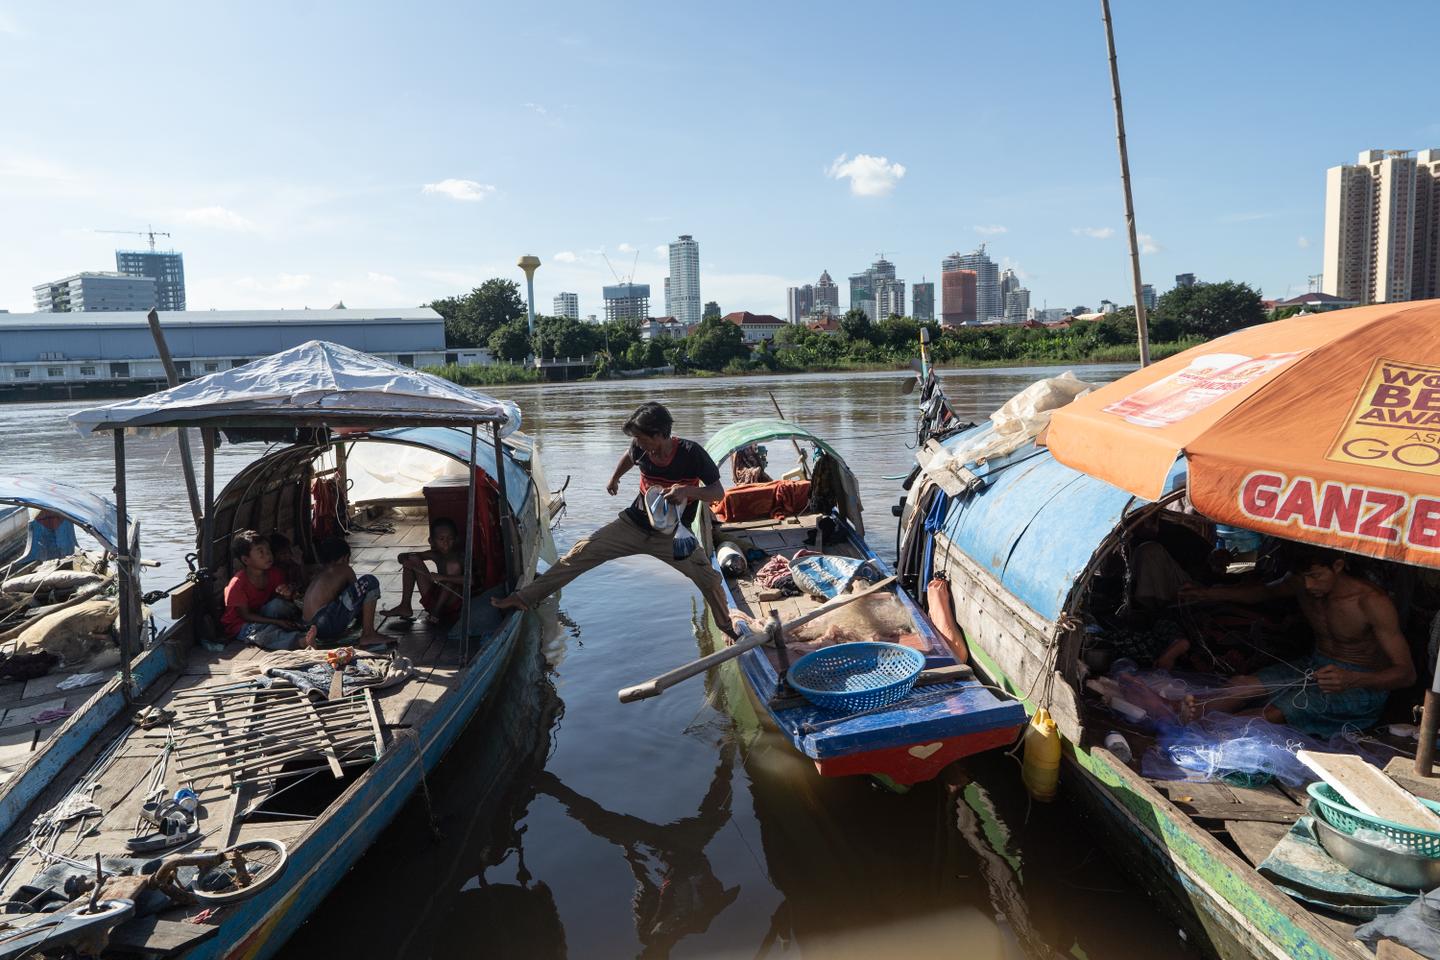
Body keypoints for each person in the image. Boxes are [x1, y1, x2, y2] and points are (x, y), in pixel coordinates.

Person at [492, 401, 738, 636]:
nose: (638, 444)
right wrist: (615, 477)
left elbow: (718, 492)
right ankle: (523, 598)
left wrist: (687, 491)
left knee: (709, 580)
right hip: (633, 524)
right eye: (636, 439)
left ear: (660, 434)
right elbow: (629, 456)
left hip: (673, 535)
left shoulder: (690, 453)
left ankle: (728, 628)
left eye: (642, 438)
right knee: (580, 553)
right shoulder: (640, 448)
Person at [1176, 546, 1416, 736]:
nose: (1309, 585)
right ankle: (1189, 716)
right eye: (1303, 578)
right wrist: (1208, 593)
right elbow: (1262, 591)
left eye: (1315, 576)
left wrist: (1353, 679)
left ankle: (1202, 730)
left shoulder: (1371, 602)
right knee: (1242, 684)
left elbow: (1406, 674)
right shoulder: (1300, 582)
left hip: (1360, 687)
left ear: (1338, 566)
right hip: (1313, 667)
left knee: (1276, 712)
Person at [222, 529, 316, 650]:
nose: (268, 556)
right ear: (246, 560)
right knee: (262, 635)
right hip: (242, 624)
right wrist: (276, 622)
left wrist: (287, 594)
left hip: (263, 614)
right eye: (261, 553)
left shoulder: (275, 574)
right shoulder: (237, 584)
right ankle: (301, 641)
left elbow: (281, 602)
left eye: (268, 551)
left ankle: (299, 627)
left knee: (279, 605)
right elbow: (246, 615)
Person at [379, 517, 465, 625]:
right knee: (412, 559)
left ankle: (436, 611)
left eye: (450, 538)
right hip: (436, 601)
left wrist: (443, 577)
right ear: (431, 541)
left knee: (453, 567)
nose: (446, 543)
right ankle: (405, 606)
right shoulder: (436, 554)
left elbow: (471, 581)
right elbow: (405, 556)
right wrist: (403, 559)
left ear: (456, 539)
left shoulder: (461, 556)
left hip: (453, 605)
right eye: (441, 539)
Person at [302, 537, 387, 645]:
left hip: (309, 627)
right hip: (324, 623)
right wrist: (361, 623)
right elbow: (360, 600)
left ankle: (361, 632)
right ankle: (368, 634)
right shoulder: (344, 569)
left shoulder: (319, 572)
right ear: (344, 558)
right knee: (369, 582)